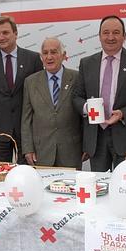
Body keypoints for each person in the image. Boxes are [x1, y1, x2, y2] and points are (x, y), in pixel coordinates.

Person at [72, 15, 126, 172]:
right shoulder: (86, 63)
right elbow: (76, 96)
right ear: (99, 36)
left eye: (116, 32)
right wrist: (86, 108)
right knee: (99, 186)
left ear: (124, 36)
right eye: (106, 32)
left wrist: (123, 113)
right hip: (96, 139)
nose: (110, 37)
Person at [0, 16, 43, 163]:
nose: (1, 37)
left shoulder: (33, 59)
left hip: (26, 132)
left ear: (15, 33)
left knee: (27, 174)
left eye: (5, 33)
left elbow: (40, 99)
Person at [21, 37, 82, 169]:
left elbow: (84, 115)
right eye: (45, 53)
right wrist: (28, 149)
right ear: (41, 56)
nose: (49, 57)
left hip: (71, 152)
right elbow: (26, 119)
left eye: (54, 52)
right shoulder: (30, 82)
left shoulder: (77, 78)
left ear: (63, 55)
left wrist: (87, 146)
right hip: (41, 152)